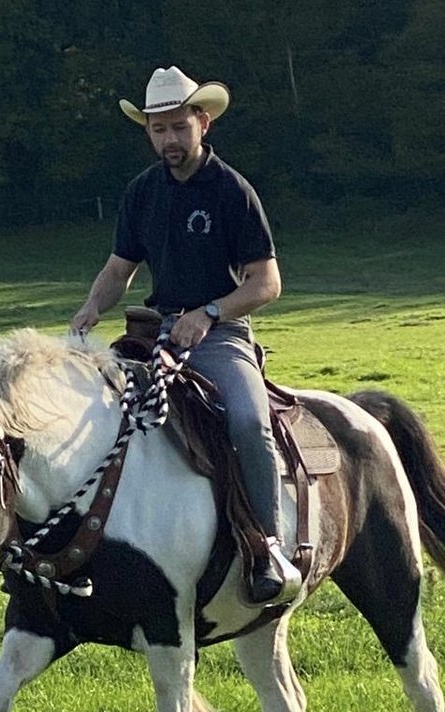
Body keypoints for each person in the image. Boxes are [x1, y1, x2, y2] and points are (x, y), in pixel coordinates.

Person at [69, 65, 300, 605]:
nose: (169, 140)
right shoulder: (141, 193)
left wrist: (212, 311)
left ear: (203, 123)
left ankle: (265, 545)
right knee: (92, 417)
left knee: (248, 419)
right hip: (153, 333)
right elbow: (119, 269)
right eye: (158, 130)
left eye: (178, 127)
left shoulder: (231, 191)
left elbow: (267, 282)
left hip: (221, 335)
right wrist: (90, 308)